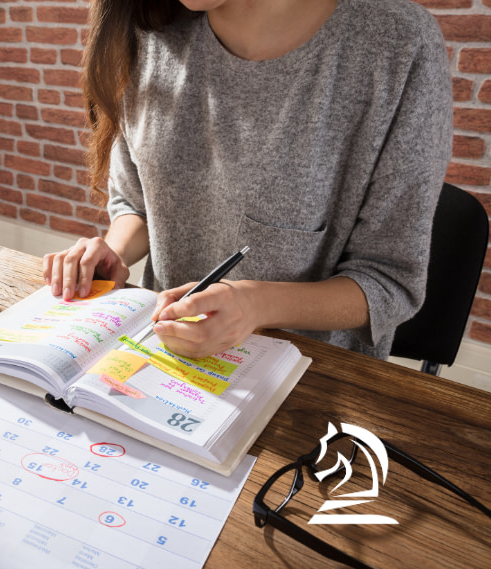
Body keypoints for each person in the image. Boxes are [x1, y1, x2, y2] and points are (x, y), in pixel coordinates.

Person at [42, 0, 452, 360]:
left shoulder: (397, 45)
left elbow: (389, 280)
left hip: (309, 382)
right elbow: (137, 205)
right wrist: (113, 252)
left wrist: (255, 305)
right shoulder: (148, 33)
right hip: (161, 357)